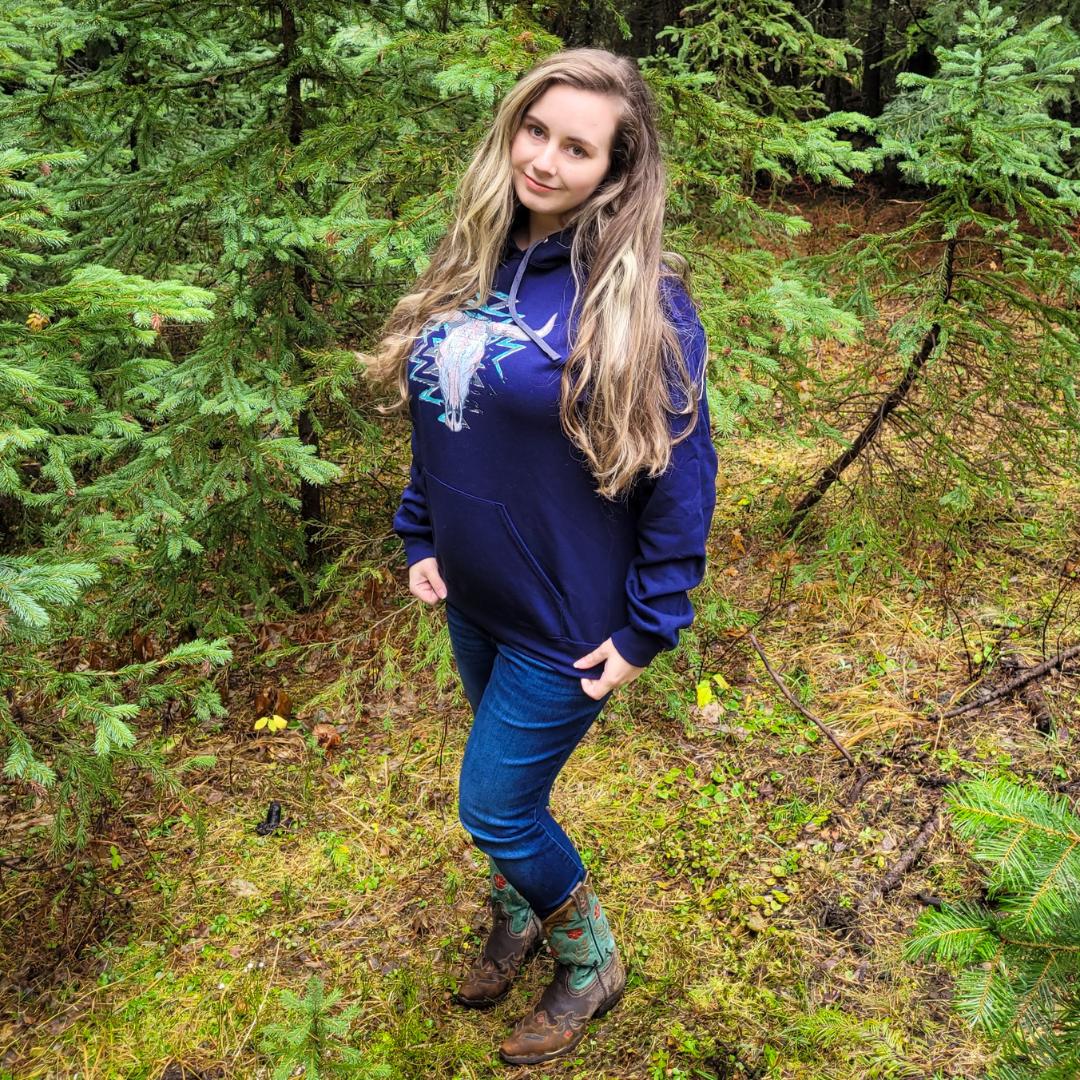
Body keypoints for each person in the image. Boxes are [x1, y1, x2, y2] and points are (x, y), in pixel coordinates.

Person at [363, 47, 718, 1066]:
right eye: (536, 130)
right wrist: (421, 531)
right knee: (511, 800)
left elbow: (681, 479)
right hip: (475, 596)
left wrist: (649, 628)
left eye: (577, 147)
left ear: (615, 172)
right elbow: (445, 420)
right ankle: (522, 911)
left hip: (567, 625)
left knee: (495, 805)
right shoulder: (474, 258)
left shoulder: (641, 301)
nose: (546, 160)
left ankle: (590, 960)